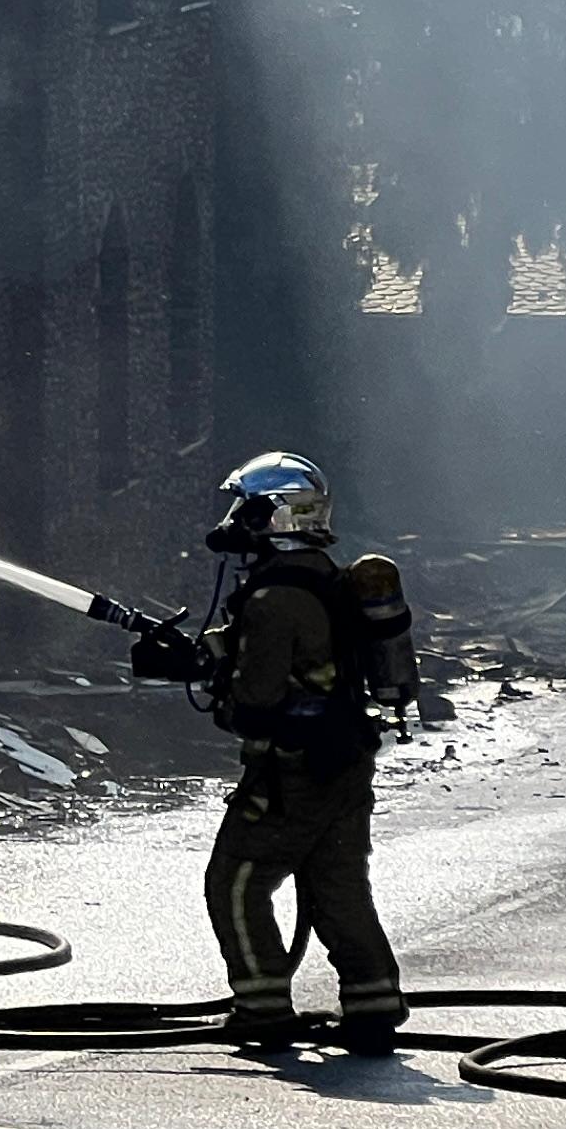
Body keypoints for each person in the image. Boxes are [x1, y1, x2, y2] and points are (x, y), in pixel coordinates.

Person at [133, 452, 403, 1055]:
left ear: (275, 515)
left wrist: (206, 681)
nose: (236, 523)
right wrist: (207, 654)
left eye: (246, 510)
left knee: (235, 881)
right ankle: (374, 1003)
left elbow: (257, 697)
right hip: (344, 763)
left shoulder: (275, 596)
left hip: (290, 771)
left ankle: (261, 1007)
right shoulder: (323, 575)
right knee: (336, 885)